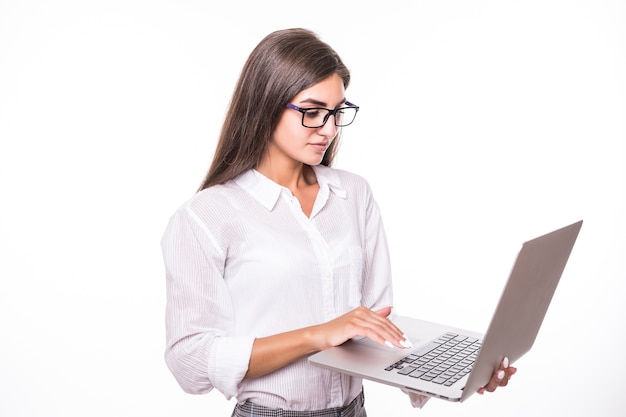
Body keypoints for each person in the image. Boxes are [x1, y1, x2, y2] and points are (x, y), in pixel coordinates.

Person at [161, 28, 516, 417]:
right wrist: (317, 334)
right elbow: (189, 360)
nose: (329, 129)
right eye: (312, 112)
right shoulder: (207, 216)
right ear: (264, 104)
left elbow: (377, 321)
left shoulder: (353, 194)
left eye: (336, 113)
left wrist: (457, 372)